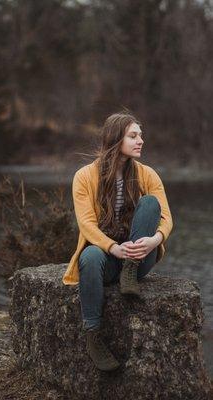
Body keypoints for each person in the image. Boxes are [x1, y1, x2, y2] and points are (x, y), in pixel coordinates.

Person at [62, 109, 173, 372]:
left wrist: (154, 241)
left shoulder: (148, 174)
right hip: (108, 257)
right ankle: (93, 336)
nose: (140, 140)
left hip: (137, 258)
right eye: (133, 136)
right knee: (89, 256)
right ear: (115, 139)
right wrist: (113, 248)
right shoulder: (84, 176)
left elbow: (167, 218)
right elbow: (86, 224)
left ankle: (130, 275)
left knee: (150, 203)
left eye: (141, 135)